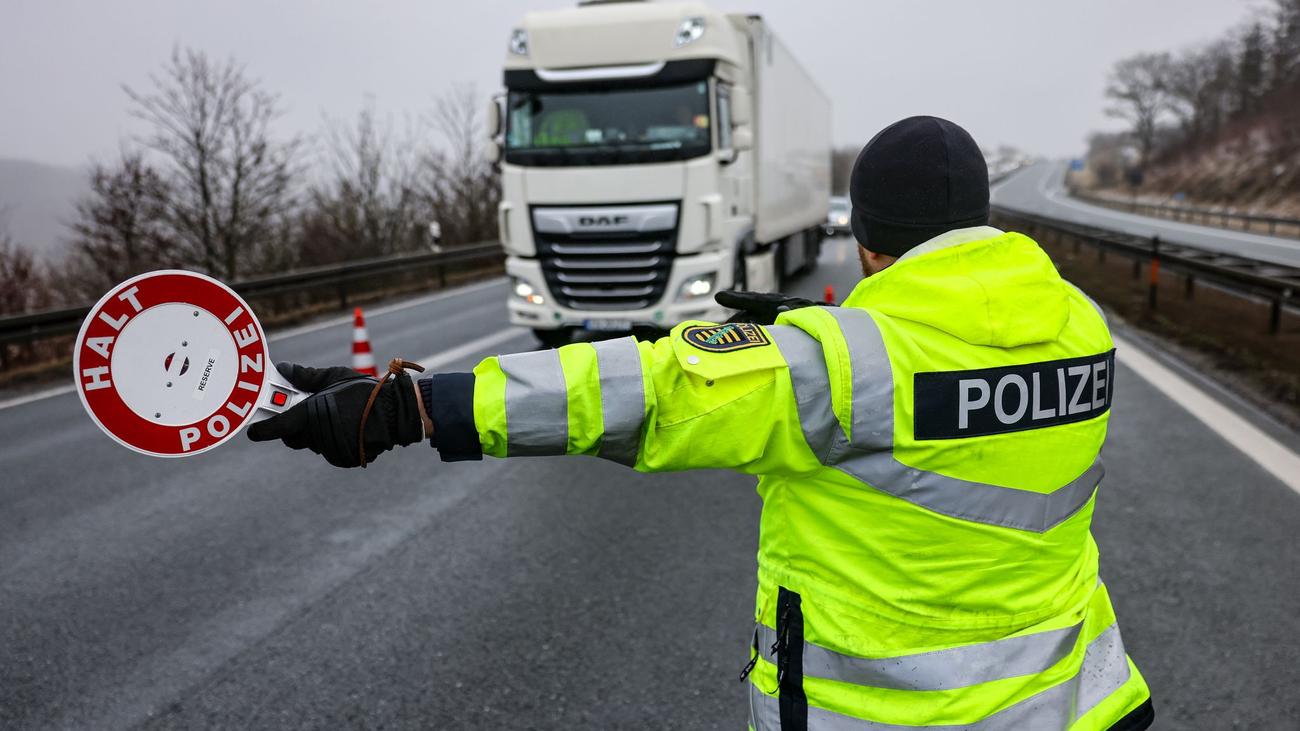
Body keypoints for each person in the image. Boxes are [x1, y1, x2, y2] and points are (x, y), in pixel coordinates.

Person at [249, 116, 1154, 730]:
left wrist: (412, 404)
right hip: (1070, 705)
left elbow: (649, 389)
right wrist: (801, 331)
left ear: (870, 244)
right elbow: (956, 379)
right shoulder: (1081, 325)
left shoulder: (836, 367)